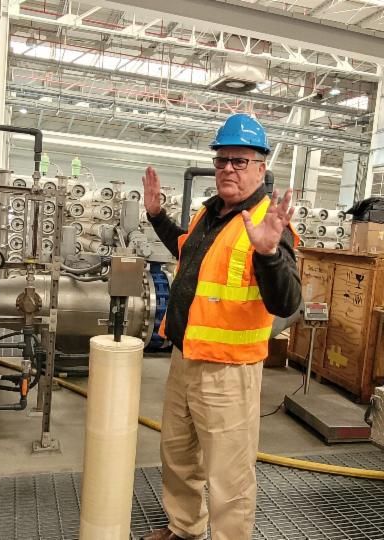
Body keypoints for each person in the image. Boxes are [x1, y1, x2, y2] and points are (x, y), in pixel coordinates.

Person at [140, 113, 302, 540]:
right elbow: (185, 249)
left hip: (229, 371)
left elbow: (287, 302)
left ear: (261, 168)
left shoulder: (269, 223)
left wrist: (268, 254)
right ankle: (185, 528)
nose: (228, 168)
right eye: (222, 160)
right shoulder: (209, 214)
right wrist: (156, 216)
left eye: (240, 161)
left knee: (229, 476)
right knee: (178, 456)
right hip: (185, 359)